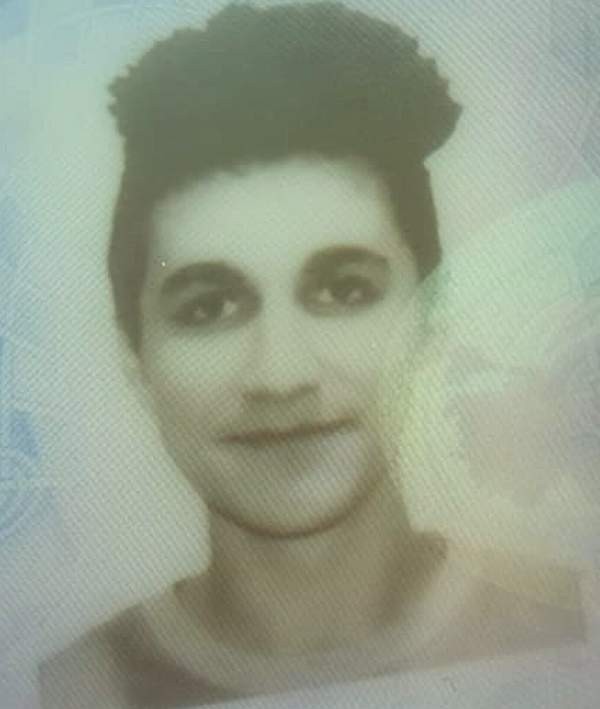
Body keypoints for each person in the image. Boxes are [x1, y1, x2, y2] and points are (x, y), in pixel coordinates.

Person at [38, 2, 585, 707]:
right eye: (208, 307)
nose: (281, 374)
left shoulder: (574, 621)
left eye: (343, 290)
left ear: (432, 319)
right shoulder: (66, 688)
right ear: (134, 358)